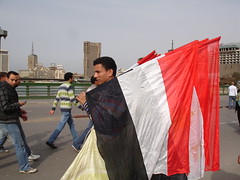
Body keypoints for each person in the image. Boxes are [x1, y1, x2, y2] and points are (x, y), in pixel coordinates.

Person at [0, 71, 37, 174]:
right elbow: (5, 107)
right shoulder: (4, 89)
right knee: (19, 144)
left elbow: (10, 105)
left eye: (17, 80)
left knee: (21, 138)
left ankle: (28, 155)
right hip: (7, 121)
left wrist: (20, 113)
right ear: (7, 79)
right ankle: (24, 167)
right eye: (12, 80)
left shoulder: (11, 88)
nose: (14, 82)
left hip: (12, 118)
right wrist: (19, 105)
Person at [46, 72, 81, 149]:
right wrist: (81, 107)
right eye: (73, 77)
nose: (74, 79)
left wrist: (53, 109)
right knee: (61, 125)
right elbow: (72, 99)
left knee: (72, 125)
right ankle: (51, 140)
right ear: (70, 78)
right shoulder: (69, 86)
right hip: (67, 109)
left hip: (62, 108)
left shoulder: (61, 86)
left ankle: (76, 141)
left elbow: (57, 99)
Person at [72, 76, 98, 152]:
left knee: (90, 129)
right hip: (93, 113)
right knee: (89, 130)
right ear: (96, 81)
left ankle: (78, 143)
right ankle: (77, 143)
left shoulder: (91, 89)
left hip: (92, 113)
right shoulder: (93, 90)